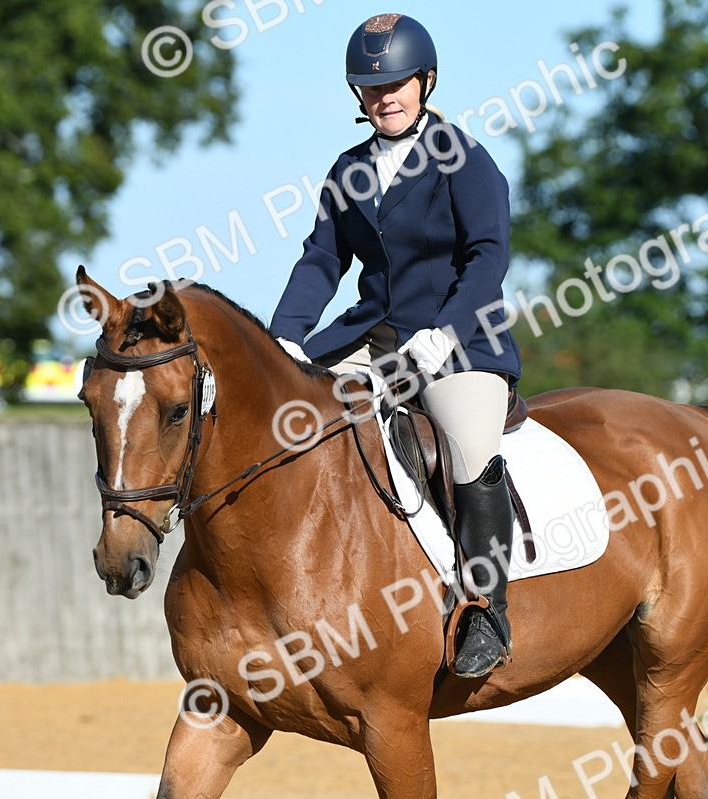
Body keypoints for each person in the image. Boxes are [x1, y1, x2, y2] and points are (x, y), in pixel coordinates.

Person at [269, 13, 521, 679]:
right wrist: (284, 340)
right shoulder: (348, 169)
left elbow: (488, 256)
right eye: (370, 87)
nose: (385, 97)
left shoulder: (463, 158)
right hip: (370, 337)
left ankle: (486, 609)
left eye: (397, 84)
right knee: (283, 414)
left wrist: (445, 332)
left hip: (460, 341)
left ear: (425, 80)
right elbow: (322, 260)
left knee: (470, 449)